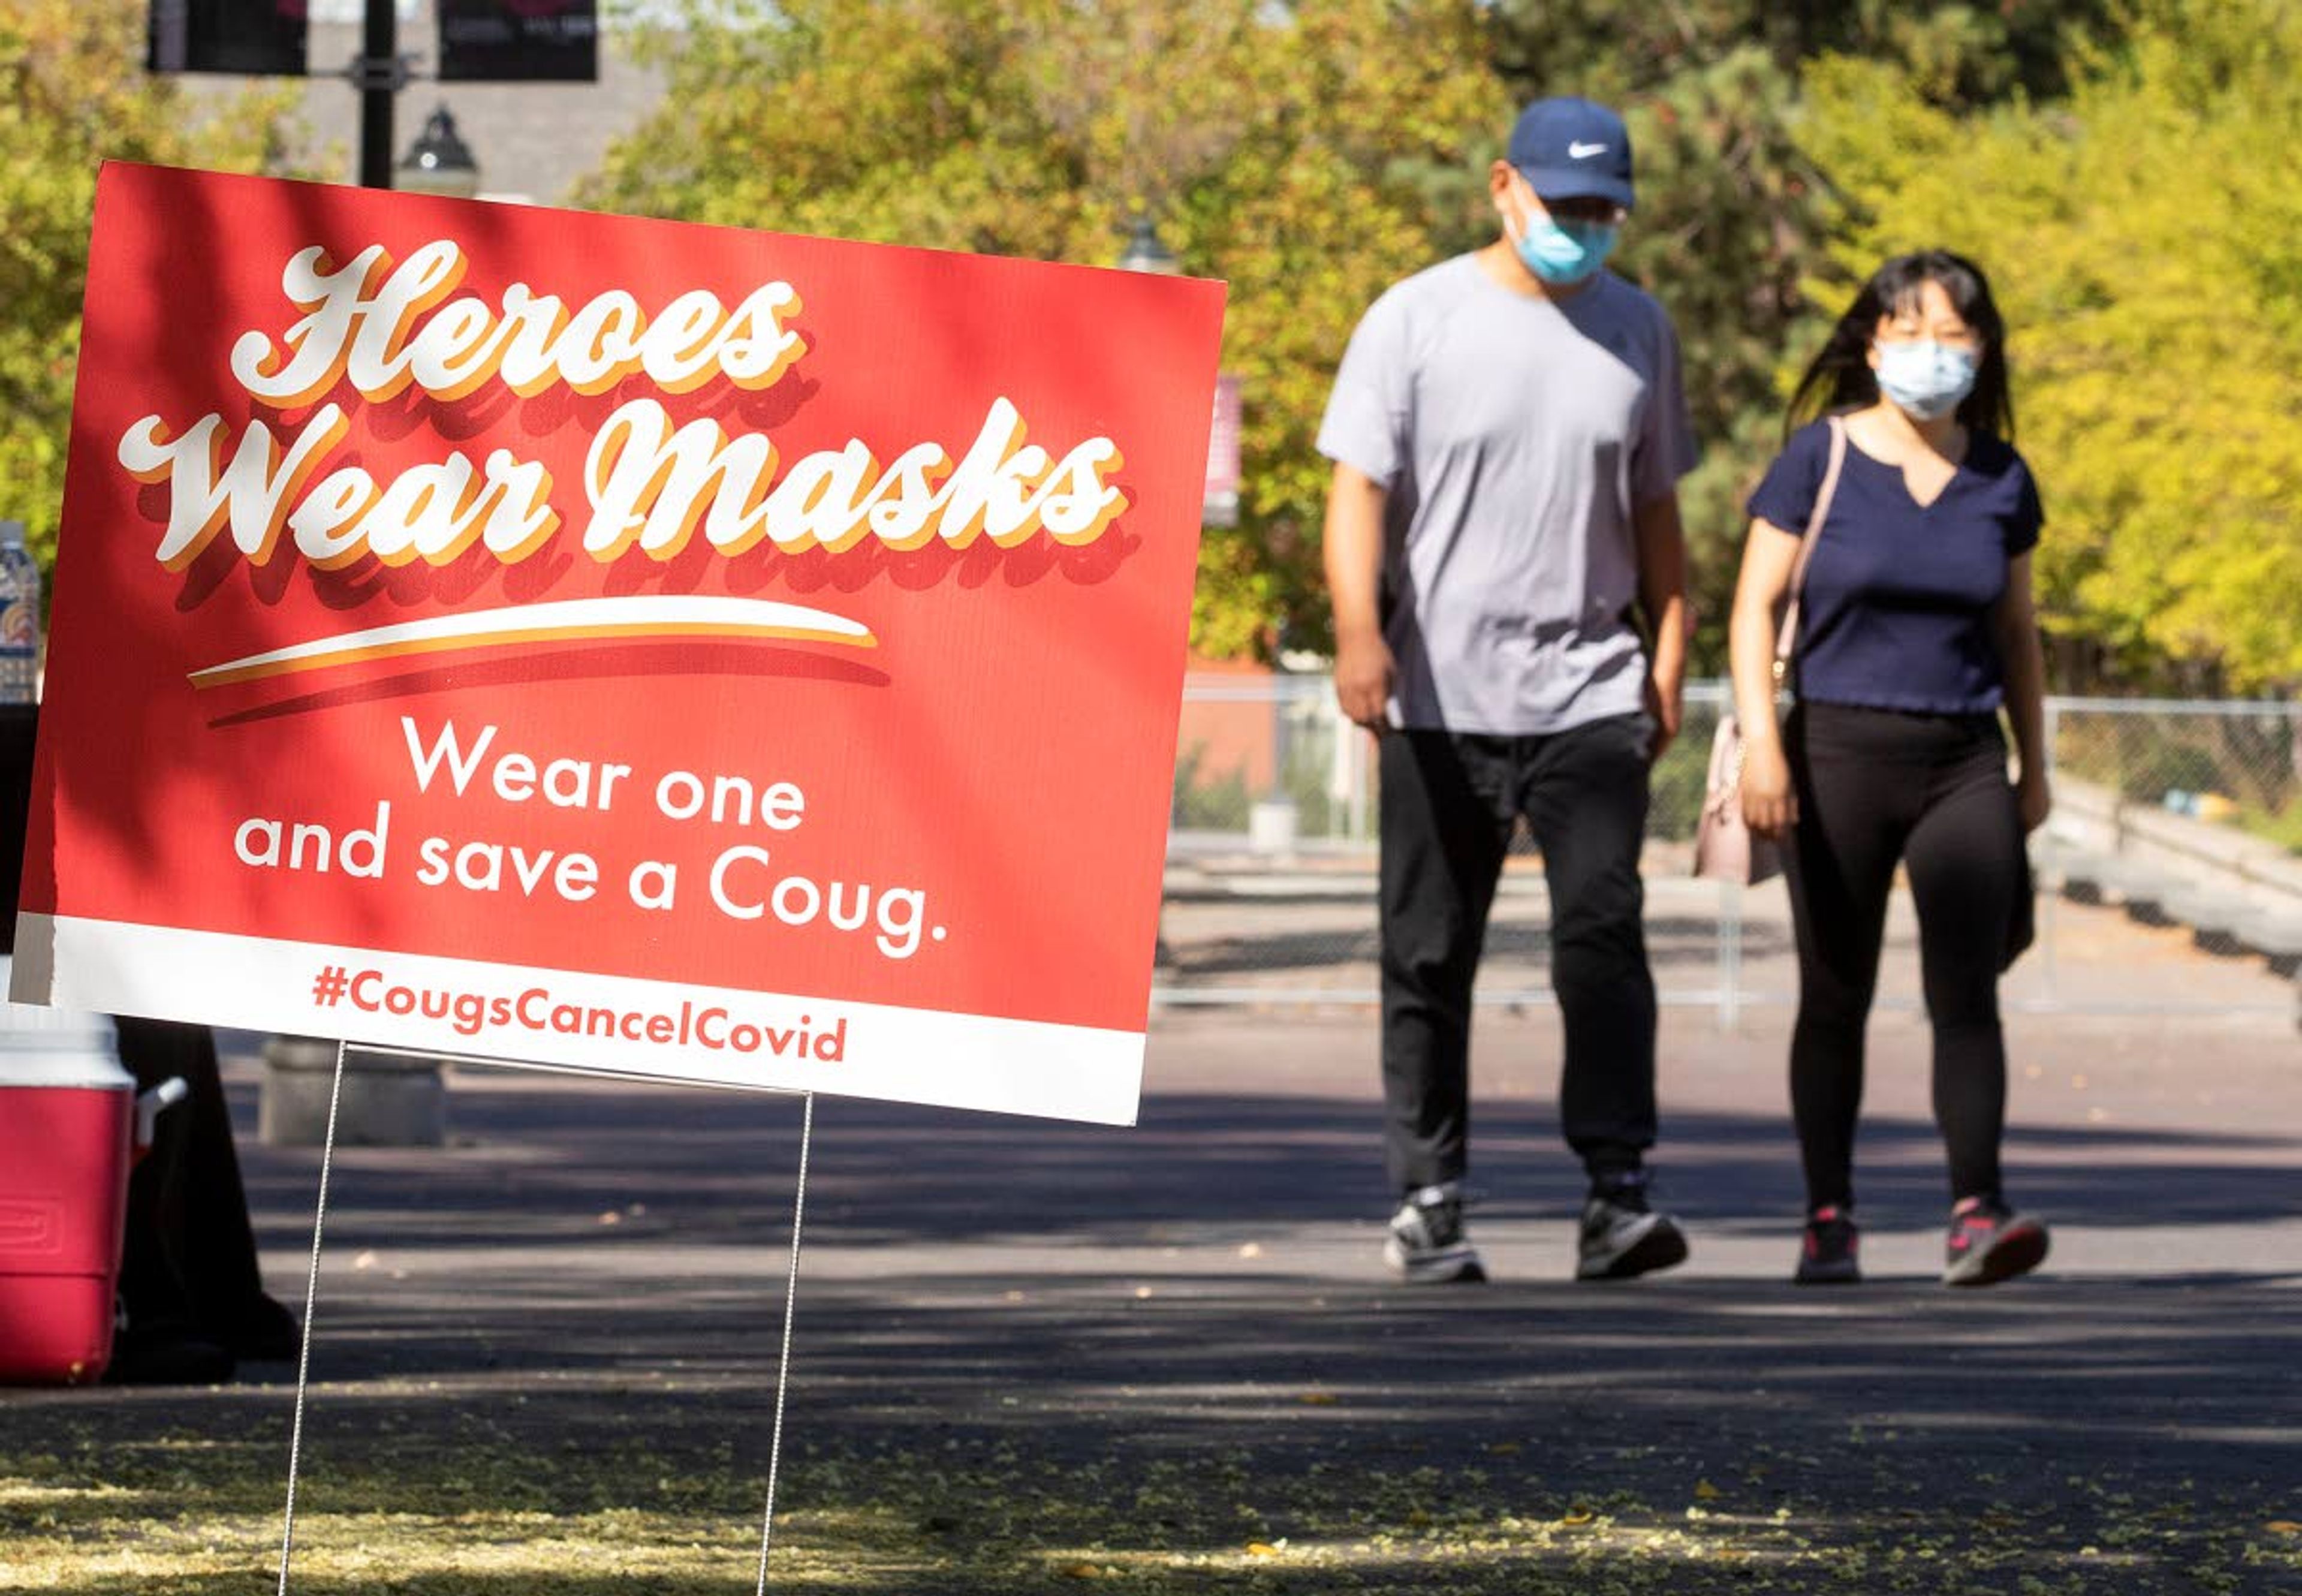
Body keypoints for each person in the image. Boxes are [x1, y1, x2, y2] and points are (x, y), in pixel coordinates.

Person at [1318, 96, 1698, 1284]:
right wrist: (1355, 634)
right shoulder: (1415, 318)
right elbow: (1356, 491)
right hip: (1439, 692)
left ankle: (1616, 1194)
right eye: (1562, 205)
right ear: (1501, 188)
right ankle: (1430, 1198)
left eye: (1604, 211)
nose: (1583, 228)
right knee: (1428, 953)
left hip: (1590, 685)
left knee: (1603, 937)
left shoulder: (1639, 329)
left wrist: (1672, 648)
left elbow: (1656, 510)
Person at [1727, 249, 2051, 1288]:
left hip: (1964, 761)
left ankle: (1977, 1213)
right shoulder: (1816, 460)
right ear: (1871, 343)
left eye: (1953, 333)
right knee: (1835, 996)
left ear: (1983, 346)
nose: (1930, 353)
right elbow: (1753, 610)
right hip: (1833, 756)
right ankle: (1829, 1216)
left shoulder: (2002, 476)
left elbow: (2019, 634)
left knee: (1969, 994)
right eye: (1907, 331)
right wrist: (1764, 747)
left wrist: (2034, 768)